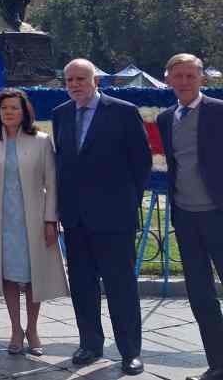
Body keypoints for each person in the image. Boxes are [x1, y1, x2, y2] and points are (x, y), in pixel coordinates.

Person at [52, 58, 151, 376]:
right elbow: (65, 165)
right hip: (76, 220)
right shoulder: (61, 114)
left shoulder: (122, 111)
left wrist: (125, 204)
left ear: (96, 80)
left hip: (114, 218)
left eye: (81, 78)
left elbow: (141, 162)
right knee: (82, 286)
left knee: (121, 287)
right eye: (69, 80)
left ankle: (130, 352)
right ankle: (90, 344)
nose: (75, 85)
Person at [0, 89, 68, 355]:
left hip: (33, 219)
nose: (9, 112)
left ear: (25, 111)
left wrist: (51, 220)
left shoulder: (41, 140)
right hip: (0, 220)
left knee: (32, 276)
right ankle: (16, 329)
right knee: (9, 275)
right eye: (4, 108)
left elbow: (51, 183)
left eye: (14, 108)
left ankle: (33, 329)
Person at [159, 54, 223, 380]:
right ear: (168, 79)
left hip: (219, 215)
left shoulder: (218, 111)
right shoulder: (166, 117)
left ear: (202, 78)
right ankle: (218, 364)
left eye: (190, 75)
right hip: (185, 217)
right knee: (200, 295)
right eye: (178, 76)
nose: (184, 81)